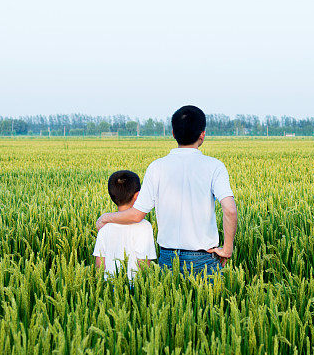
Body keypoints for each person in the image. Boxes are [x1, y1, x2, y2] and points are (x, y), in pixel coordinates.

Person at [96, 105, 238, 276]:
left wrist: (105, 217)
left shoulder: (156, 167)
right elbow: (230, 209)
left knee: (170, 302)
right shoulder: (215, 166)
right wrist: (227, 248)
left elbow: (136, 215)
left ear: (173, 133)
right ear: (202, 134)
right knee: (207, 304)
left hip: (168, 257)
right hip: (204, 257)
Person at [93, 170, 157, 281]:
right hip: (135, 289)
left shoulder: (105, 227)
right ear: (137, 195)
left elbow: (99, 266)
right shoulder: (144, 227)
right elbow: (144, 265)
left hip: (110, 289)